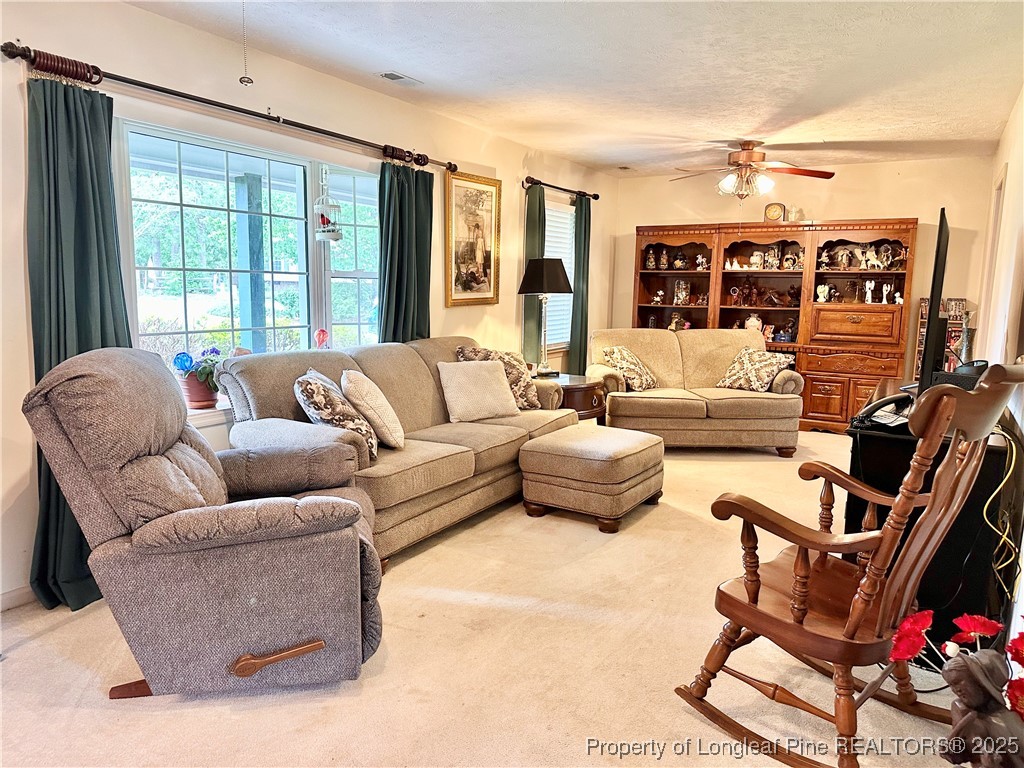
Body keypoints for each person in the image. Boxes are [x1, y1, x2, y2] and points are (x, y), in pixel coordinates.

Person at [940, 650, 1024, 768]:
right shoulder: (960, 708)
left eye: (958, 682)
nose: (956, 690)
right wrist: (950, 747)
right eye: (951, 685)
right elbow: (960, 756)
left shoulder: (1008, 724)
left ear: (980, 681)